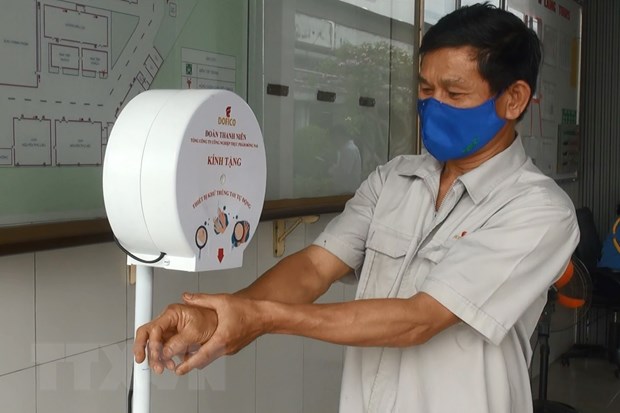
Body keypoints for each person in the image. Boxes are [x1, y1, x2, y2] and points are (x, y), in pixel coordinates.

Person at [134, 4, 579, 412]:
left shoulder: (538, 211)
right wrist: (215, 317)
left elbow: (419, 320)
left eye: (455, 93)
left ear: (513, 98)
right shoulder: (394, 180)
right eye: (426, 89)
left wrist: (261, 318)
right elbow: (314, 268)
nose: (433, 105)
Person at [328, 124, 362, 194]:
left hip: (347, 192)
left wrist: (332, 170)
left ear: (341, 136)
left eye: (334, 137)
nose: (333, 141)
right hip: (345, 191)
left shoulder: (349, 150)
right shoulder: (344, 149)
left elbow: (345, 173)